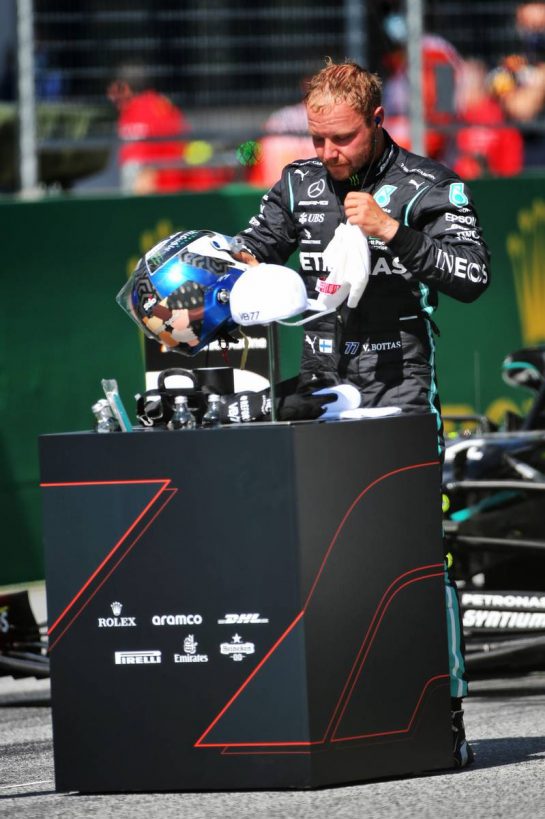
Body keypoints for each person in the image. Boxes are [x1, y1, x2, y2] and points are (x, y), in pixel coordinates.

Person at [234, 58, 491, 768]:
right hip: (316, 393)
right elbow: (249, 253)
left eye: (341, 138)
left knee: (415, 556)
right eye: (316, 138)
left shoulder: (428, 184)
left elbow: (473, 276)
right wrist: (242, 267)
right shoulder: (298, 182)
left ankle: (441, 717)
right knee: (312, 556)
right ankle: (328, 713)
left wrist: (390, 231)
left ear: (377, 122)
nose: (327, 152)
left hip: (397, 394)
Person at [488, 2, 545, 167]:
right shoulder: (507, 63)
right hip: (524, 155)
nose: (536, 34)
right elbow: (520, 110)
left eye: (540, 27)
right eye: (530, 27)